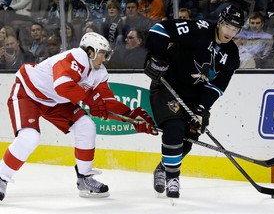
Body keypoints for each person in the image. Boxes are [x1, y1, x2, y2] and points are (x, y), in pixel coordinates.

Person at [0, 32, 158, 201]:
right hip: (28, 92)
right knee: (29, 137)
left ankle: (84, 179)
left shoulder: (99, 72)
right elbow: (62, 85)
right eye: (102, 53)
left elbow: (107, 103)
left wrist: (131, 117)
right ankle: (2, 177)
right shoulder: (76, 56)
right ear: (90, 51)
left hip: (55, 101)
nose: (104, 59)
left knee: (86, 125)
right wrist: (90, 98)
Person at [144, 5, 244, 199]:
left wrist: (201, 108)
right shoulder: (199, 29)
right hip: (168, 86)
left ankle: (164, 167)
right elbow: (159, 30)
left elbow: (217, 86)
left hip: (194, 96)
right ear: (220, 22)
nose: (230, 33)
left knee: (188, 138)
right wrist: (157, 57)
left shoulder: (231, 55)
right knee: (174, 127)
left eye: (235, 29)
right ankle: (173, 178)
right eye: (228, 26)